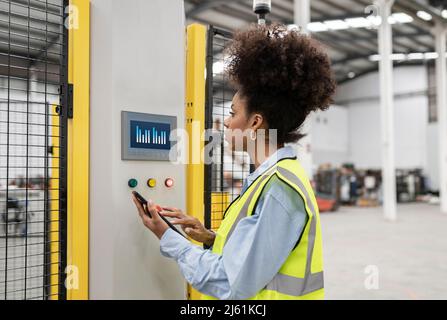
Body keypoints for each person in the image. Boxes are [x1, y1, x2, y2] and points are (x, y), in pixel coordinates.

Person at [132, 23, 336, 300]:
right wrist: (211, 238)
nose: (226, 122)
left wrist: (168, 237)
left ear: (254, 123)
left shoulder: (279, 189)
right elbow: (264, 255)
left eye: (232, 113)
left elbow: (230, 282)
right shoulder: (269, 178)